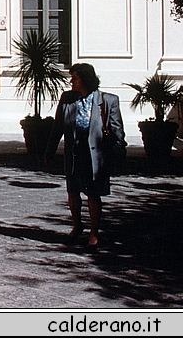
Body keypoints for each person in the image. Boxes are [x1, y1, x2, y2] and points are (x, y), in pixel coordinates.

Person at [45, 63, 125, 253]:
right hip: (74, 152)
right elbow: (58, 126)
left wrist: (119, 153)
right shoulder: (67, 99)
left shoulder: (107, 100)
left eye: (75, 78)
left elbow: (117, 130)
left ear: (85, 79)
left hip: (95, 154)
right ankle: (77, 225)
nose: (71, 81)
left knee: (93, 193)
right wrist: (49, 151)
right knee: (73, 191)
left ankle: (94, 231)